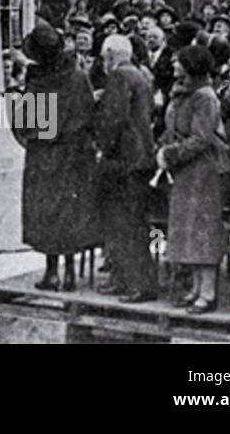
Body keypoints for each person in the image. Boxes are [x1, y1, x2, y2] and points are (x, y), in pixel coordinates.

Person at [13, 23, 100, 292]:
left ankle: (52, 272)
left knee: (47, 213)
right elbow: (88, 114)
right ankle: (71, 273)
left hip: (45, 155)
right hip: (75, 156)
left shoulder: (38, 83)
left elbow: (29, 126)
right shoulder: (76, 76)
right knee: (71, 213)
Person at [157, 44, 229, 314]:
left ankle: (208, 291)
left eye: (180, 62)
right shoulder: (182, 93)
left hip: (202, 171)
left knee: (202, 229)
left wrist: (171, 153)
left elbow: (202, 138)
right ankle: (197, 287)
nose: (174, 65)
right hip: (185, 171)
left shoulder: (205, 97)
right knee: (188, 229)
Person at [94, 34, 158, 303]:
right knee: (131, 222)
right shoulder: (140, 75)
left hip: (124, 160)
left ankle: (138, 284)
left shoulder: (119, 78)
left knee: (126, 224)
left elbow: (114, 120)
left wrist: (102, 147)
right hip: (140, 156)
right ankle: (126, 280)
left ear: (110, 55)